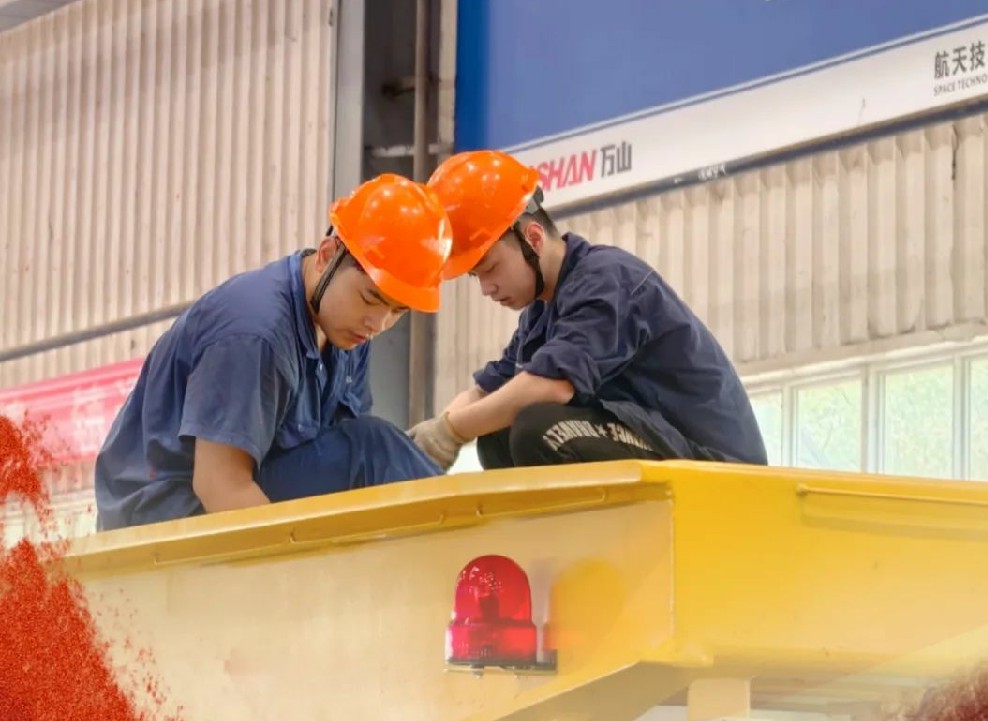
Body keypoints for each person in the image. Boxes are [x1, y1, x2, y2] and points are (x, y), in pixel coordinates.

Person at [95, 175, 451, 530]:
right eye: (370, 298)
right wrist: (310, 563)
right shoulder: (255, 333)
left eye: (397, 311)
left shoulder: (349, 331)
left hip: (245, 489)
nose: (379, 323)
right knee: (372, 449)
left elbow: (340, 465)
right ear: (327, 255)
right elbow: (220, 487)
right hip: (162, 516)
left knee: (370, 448)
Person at [408, 150, 768, 474]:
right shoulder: (541, 315)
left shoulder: (606, 280)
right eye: (476, 277)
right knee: (496, 437)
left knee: (538, 428)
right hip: (664, 443)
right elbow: (489, 391)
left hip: (718, 467)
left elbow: (551, 387)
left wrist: (452, 431)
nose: (486, 288)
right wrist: (428, 440)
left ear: (533, 238)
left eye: (490, 268)